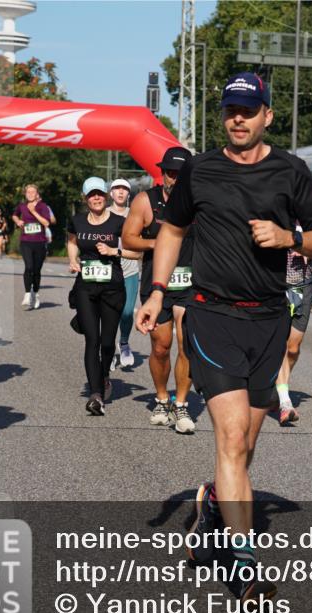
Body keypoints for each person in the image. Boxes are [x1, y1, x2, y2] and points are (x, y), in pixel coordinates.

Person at [137, 72, 312, 612]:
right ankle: (245, 565)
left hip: (268, 320)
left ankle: (211, 504)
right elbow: (172, 231)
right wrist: (157, 291)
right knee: (229, 439)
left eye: (249, 110)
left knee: (244, 448)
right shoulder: (200, 169)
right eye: (230, 110)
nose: (238, 118)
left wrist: (289, 237)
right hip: (212, 316)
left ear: (268, 115)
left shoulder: (290, 171)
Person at [123, 147, 196, 434]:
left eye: (181, 174)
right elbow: (128, 239)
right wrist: (161, 243)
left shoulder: (199, 202)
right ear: (162, 173)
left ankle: (182, 403)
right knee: (161, 346)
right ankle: (163, 398)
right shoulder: (145, 201)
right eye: (171, 173)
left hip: (191, 283)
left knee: (187, 343)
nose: (175, 179)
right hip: (156, 286)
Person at [68, 177, 140, 416]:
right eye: (92, 194)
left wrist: (114, 251)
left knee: (108, 343)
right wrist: (73, 260)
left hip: (113, 288)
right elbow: (72, 242)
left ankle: (105, 375)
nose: (96, 198)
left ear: (106, 195)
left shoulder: (120, 222)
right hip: (86, 287)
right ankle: (96, 394)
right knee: (93, 340)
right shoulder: (78, 221)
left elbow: (137, 252)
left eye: (100, 193)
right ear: (85, 198)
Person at [275, 236, 312, 425]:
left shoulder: (307, 222)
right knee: (277, 346)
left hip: (303, 285)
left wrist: (307, 246)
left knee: (293, 348)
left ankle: (278, 387)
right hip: (275, 287)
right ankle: (284, 401)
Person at [108, 178, 139, 370]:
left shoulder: (134, 215)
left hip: (130, 270)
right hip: (109, 271)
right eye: (117, 189)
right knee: (109, 313)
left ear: (129, 194)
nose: (120, 192)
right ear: (111, 193)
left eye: (124, 189)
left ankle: (124, 343)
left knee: (127, 312)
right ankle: (109, 350)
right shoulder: (103, 213)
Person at [12, 183, 54, 310]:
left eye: (33, 192)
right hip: (26, 241)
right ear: (25, 194)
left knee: (36, 270)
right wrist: (18, 221)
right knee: (29, 267)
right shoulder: (22, 206)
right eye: (28, 192)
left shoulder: (43, 206)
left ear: (37, 194)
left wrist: (33, 211)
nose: (30, 194)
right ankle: (27, 294)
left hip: (40, 242)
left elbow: (46, 223)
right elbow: (14, 215)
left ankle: (35, 294)